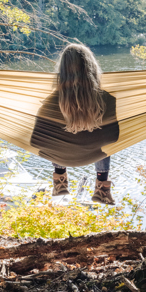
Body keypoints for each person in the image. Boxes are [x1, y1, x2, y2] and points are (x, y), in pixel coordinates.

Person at [28, 43, 118, 205]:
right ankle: (102, 187)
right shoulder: (107, 99)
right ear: (91, 68)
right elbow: (113, 137)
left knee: (53, 135)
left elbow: (35, 141)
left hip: (61, 157)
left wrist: (62, 137)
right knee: (104, 142)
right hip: (94, 153)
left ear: (62, 71)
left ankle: (59, 179)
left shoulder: (50, 103)